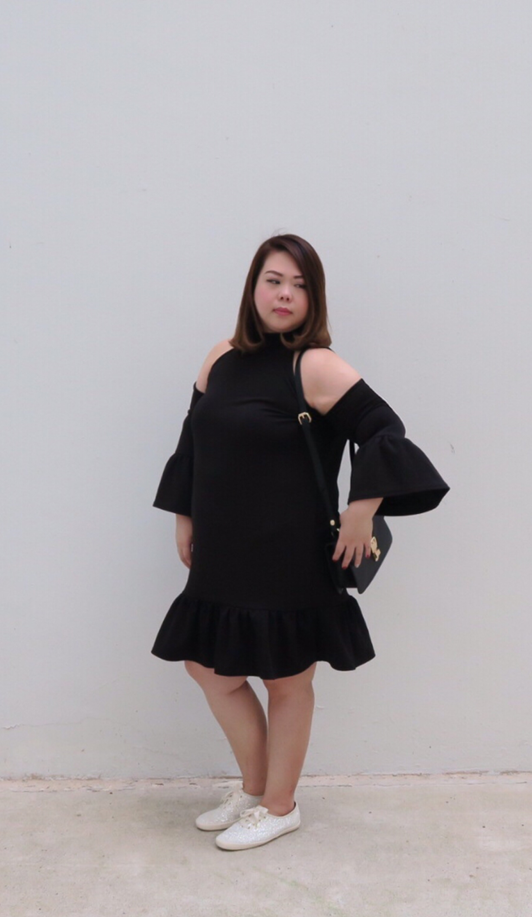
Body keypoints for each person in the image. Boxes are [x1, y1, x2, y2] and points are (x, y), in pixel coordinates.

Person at [152, 234, 448, 851]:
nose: (285, 294)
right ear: (253, 288)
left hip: (290, 551)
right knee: (207, 666)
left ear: (314, 298)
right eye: (274, 280)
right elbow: (192, 440)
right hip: (225, 548)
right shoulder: (220, 358)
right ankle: (255, 789)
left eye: (300, 285)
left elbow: (385, 430)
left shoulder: (315, 366)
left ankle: (280, 805)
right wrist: (184, 515)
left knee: (286, 680)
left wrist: (363, 508)